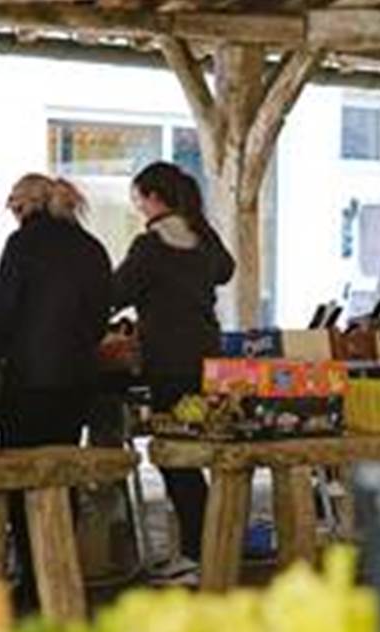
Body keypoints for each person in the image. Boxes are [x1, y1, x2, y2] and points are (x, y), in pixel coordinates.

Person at [113, 162, 234, 583]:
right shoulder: (201, 236)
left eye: (139, 199)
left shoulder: (149, 245)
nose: (139, 207)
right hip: (207, 357)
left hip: (169, 361)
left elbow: (116, 292)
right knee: (196, 450)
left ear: (152, 197)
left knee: (175, 455)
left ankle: (197, 555)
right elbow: (226, 270)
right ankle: (205, 550)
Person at [0, 174, 111, 610]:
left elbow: (3, 316)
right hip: (78, 381)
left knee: (23, 478)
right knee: (61, 475)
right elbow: (101, 316)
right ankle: (60, 574)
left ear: (26, 205)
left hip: (29, 381)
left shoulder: (22, 245)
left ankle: (30, 583)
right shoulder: (92, 247)